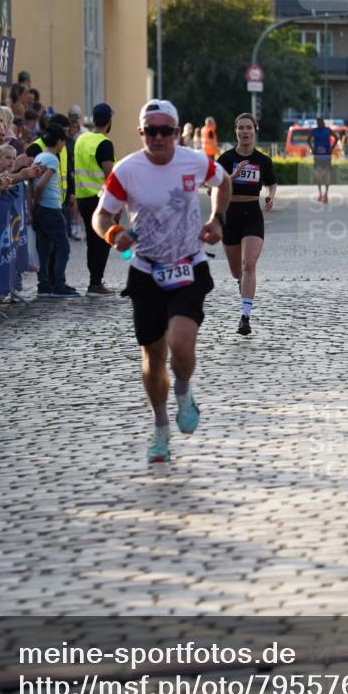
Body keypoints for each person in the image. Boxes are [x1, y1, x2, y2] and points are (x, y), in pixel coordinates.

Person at [92, 98, 231, 464]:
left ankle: (183, 391)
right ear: (141, 133)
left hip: (189, 264)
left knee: (182, 347)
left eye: (165, 131)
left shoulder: (194, 161)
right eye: (150, 131)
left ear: (176, 131)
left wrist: (216, 220)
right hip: (146, 270)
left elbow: (223, 181)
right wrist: (113, 234)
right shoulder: (126, 171)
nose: (158, 138)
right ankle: (160, 427)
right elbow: (101, 216)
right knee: (153, 357)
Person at [216, 113, 276, 335]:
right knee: (236, 272)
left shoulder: (262, 160)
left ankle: (245, 318)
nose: (244, 131)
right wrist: (233, 176)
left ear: (255, 130)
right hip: (230, 215)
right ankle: (241, 282)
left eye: (248, 127)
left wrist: (271, 196)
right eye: (240, 128)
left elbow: (271, 183)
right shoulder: (225, 159)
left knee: (249, 264)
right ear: (235, 131)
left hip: (252, 214)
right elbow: (213, 187)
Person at [31, 123, 78, 298]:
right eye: (63, 142)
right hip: (51, 207)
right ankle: (59, 283)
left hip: (41, 209)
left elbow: (32, 182)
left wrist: (33, 205)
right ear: (59, 141)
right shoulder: (52, 159)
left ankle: (44, 284)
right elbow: (41, 184)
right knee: (62, 246)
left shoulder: (39, 157)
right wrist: (35, 201)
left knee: (44, 246)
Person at [74, 102, 116, 295]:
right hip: (100, 199)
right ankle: (95, 283)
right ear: (109, 121)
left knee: (92, 241)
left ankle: (94, 281)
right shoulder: (104, 143)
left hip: (83, 198)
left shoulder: (81, 139)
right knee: (104, 241)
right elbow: (109, 173)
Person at [307, 117, 338, 202]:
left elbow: (336, 138)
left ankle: (326, 194)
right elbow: (308, 140)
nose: (319, 124)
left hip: (326, 156)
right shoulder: (314, 131)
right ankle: (320, 194)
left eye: (320, 122)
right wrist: (312, 148)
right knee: (318, 176)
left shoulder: (328, 130)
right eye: (318, 123)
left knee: (327, 175)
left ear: (323, 122)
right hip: (317, 156)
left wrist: (332, 148)